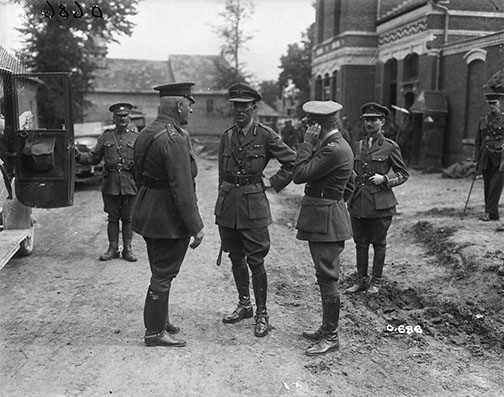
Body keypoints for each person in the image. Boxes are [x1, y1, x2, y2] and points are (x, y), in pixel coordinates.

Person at [214, 82, 296, 337]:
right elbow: (221, 174)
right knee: (235, 257)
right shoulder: (227, 136)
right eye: (236, 106)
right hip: (229, 205)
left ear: (253, 107)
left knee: (256, 259)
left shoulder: (265, 135)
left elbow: (292, 162)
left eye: (244, 107)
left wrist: (272, 182)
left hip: (253, 205)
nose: (239, 111)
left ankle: (262, 313)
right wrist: (221, 202)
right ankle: (244, 304)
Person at [132, 82, 204, 347]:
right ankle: (154, 332)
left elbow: (137, 173)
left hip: (149, 211)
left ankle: (160, 320)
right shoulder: (173, 138)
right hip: (167, 218)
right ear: (178, 105)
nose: (191, 111)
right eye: (189, 105)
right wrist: (196, 226)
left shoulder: (146, 132)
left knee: (159, 269)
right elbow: (182, 188)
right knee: (163, 275)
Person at [292, 100, 354, 356]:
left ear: (317, 125)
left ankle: (331, 336)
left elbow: (299, 174)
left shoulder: (332, 149)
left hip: (326, 221)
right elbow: (351, 183)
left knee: (327, 277)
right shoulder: (335, 146)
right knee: (324, 275)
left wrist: (306, 144)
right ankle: (326, 329)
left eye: (309, 122)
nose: (305, 126)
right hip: (327, 218)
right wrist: (337, 202)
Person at [345, 102, 408, 295]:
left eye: (374, 120)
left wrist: (385, 179)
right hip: (358, 202)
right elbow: (352, 172)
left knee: (379, 243)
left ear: (383, 122)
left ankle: (376, 282)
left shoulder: (390, 147)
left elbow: (403, 174)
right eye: (367, 120)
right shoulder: (358, 145)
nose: (370, 124)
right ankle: (361, 280)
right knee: (360, 243)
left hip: (380, 203)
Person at [75, 103, 138, 262]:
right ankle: (113, 249)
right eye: (119, 116)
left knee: (128, 218)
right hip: (110, 184)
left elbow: (143, 161)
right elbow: (93, 158)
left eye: (125, 116)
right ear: (114, 118)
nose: (122, 119)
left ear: (129, 117)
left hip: (130, 183)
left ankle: (128, 249)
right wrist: (77, 155)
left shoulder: (136, 137)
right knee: (112, 217)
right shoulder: (106, 137)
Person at [474, 92, 504, 223]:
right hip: (486, 156)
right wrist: (477, 158)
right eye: (490, 104)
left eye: (495, 104)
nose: (493, 107)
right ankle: (493, 214)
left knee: (495, 185)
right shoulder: (483, 119)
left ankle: (488, 212)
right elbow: (478, 141)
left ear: (500, 103)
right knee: (487, 185)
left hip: (501, 157)